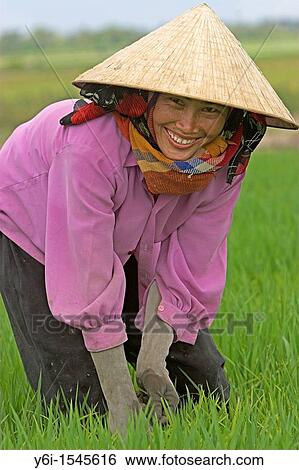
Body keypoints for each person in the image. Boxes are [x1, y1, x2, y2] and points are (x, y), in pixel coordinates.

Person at [0, 4, 297, 436]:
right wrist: (120, 393)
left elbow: (191, 265)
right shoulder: (90, 145)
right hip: (33, 222)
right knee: (87, 411)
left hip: (130, 235)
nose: (188, 125)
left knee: (205, 393)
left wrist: (154, 361)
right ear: (148, 98)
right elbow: (86, 270)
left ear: (231, 119)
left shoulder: (225, 161)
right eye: (176, 102)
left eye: (209, 110)